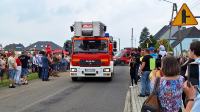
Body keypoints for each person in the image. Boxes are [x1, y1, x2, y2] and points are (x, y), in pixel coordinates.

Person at [183, 41, 200, 111]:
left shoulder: (193, 65)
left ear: (193, 51)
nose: (188, 52)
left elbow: (192, 85)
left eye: (189, 50)